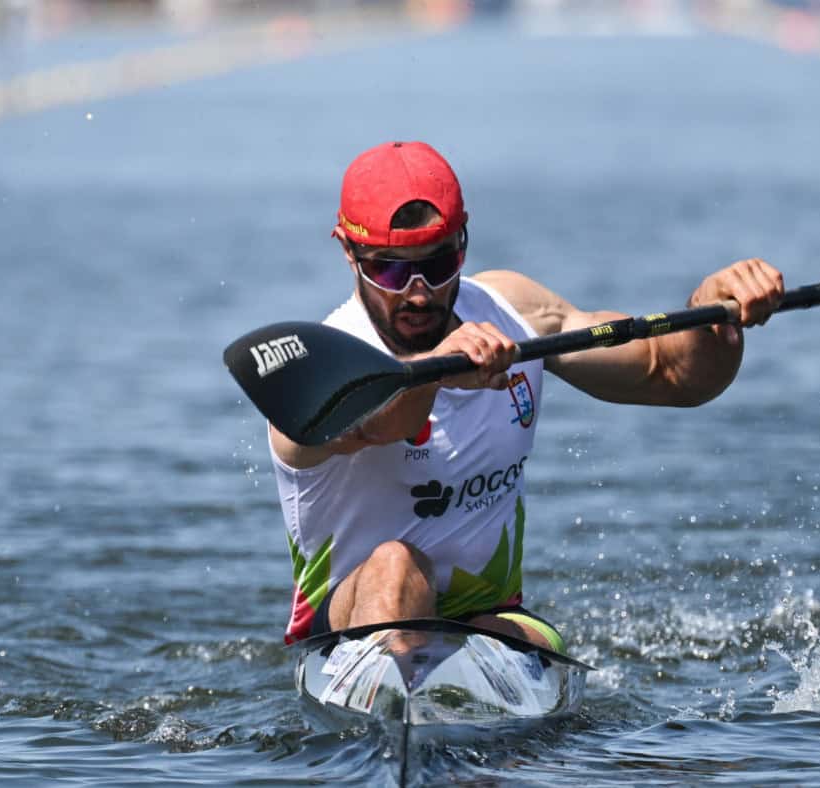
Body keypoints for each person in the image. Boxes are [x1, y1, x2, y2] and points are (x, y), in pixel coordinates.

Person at [270, 141, 783, 652]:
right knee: (394, 565)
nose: (419, 292)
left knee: (536, 644)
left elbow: (672, 374)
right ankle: (398, 691)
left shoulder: (515, 312)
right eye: (391, 270)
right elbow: (379, 425)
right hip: (347, 628)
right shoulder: (318, 366)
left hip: (490, 620)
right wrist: (435, 373)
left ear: (463, 244)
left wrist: (712, 313)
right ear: (348, 252)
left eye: (439, 262)